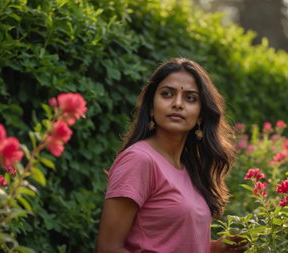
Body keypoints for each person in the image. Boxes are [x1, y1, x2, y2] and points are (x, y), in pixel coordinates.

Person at [96, 58, 248, 253]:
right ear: (151, 106)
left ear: (201, 114)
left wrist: (214, 248)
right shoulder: (139, 160)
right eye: (167, 94)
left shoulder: (191, 169)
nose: (177, 104)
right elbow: (107, 248)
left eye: (190, 98)